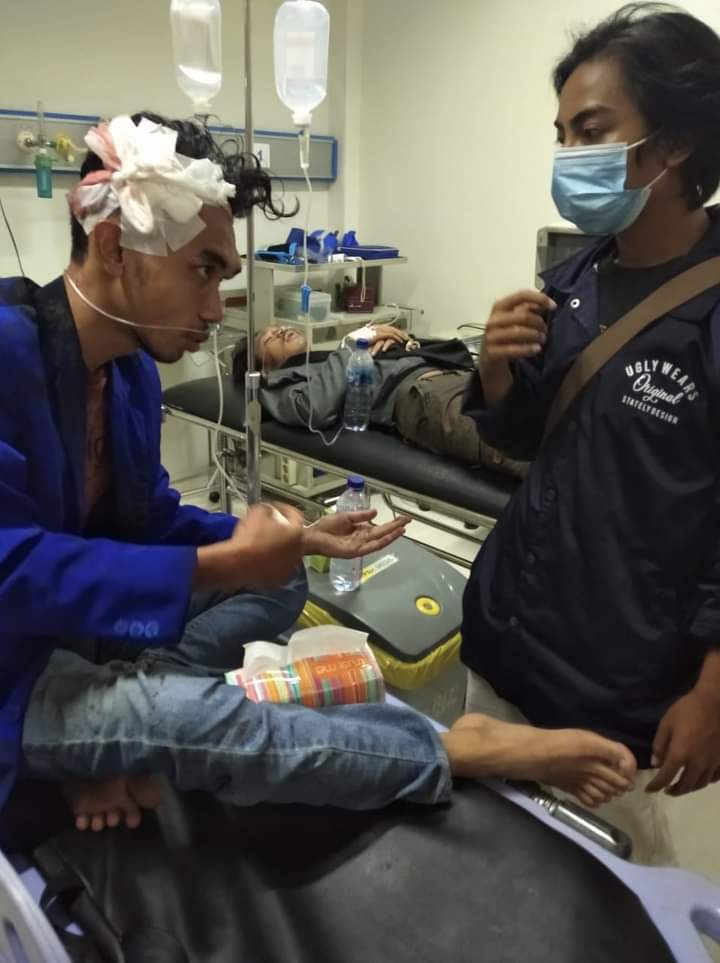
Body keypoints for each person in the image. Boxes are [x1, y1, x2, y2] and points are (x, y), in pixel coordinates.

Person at [0, 111, 637, 845]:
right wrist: (218, 563)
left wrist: (293, 540)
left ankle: (112, 734)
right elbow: (13, 567)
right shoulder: (9, 354)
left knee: (281, 582)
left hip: (83, 632)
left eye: (224, 278)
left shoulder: (130, 375)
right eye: (203, 271)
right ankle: (449, 749)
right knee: (210, 724)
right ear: (115, 246)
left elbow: (145, 519)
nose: (213, 309)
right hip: (13, 668)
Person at [461, 3, 720, 865]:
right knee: (489, 869)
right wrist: (497, 370)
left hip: (621, 692)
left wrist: (713, 689)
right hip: (505, 644)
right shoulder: (571, 277)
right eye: (563, 134)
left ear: (672, 144)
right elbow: (527, 440)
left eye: (592, 131)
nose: (570, 155)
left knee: (606, 900)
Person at [232, 323, 527, 479]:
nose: (280, 330)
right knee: (516, 443)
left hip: (462, 376)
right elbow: (315, 410)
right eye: (269, 338)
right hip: (425, 396)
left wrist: (402, 342)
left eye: (277, 326)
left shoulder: (326, 358)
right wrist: (351, 345)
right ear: (262, 368)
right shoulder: (279, 384)